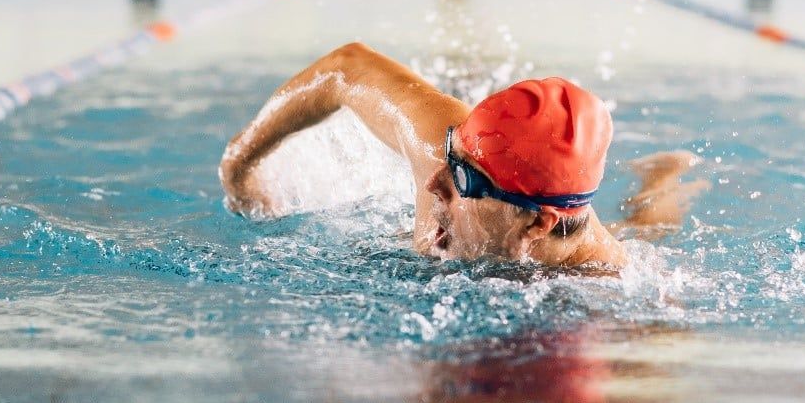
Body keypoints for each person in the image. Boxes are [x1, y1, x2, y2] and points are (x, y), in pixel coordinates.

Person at [220, 42, 702, 269]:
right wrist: (240, 164)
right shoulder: (451, 151)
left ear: (537, 225)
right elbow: (347, 68)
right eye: (451, 157)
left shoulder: (611, 293)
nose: (434, 183)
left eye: (464, 181)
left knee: (645, 234)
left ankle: (661, 179)